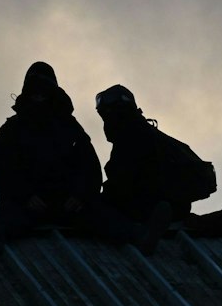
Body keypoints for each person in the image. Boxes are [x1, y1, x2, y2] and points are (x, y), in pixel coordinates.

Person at [89, 85, 214, 253]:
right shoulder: (153, 134)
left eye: (108, 113)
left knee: (93, 209)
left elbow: (121, 180)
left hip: (145, 205)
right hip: (175, 206)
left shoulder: (129, 137)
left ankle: (139, 235)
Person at [0, 62, 101, 238]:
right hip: (27, 207)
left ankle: (138, 235)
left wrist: (80, 196)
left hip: (68, 206)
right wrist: (25, 196)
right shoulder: (12, 129)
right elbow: (3, 170)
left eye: (44, 89)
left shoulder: (70, 127)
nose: (39, 94)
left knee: (103, 216)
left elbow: (90, 168)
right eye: (34, 89)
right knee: (6, 222)